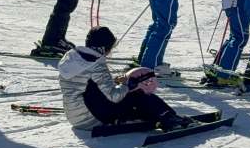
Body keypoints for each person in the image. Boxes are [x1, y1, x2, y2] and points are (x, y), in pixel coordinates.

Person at [58, 26, 190, 131]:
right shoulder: (96, 65)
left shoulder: (72, 57)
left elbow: (89, 86)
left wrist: (115, 83)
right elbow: (114, 97)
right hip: (92, 119)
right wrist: (128, 85)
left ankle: (155, 116)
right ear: (104, 48)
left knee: (130, 99)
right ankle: (169, 118)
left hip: (75, 117)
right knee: (138, 95)